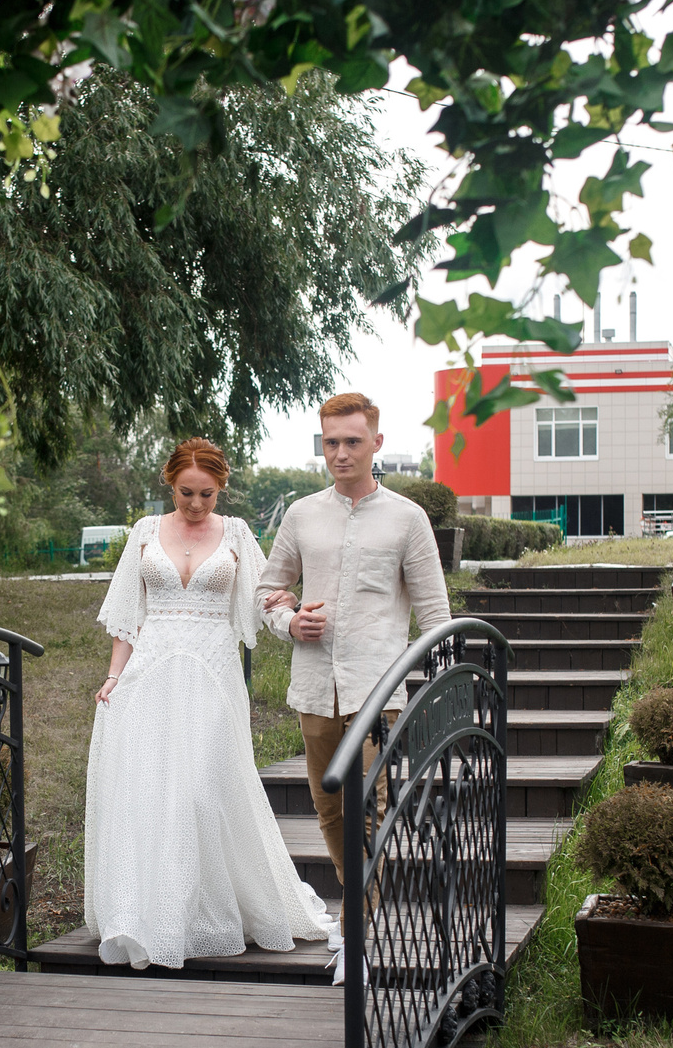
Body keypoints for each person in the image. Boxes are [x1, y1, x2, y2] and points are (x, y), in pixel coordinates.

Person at [84, 439, 334, 969]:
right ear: (168, 483)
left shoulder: (238, 534)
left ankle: (201, 913)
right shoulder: (144, 534)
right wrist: (113, 676)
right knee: (150, 791)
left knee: (200, 791)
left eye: (207, 494)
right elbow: (129, 615)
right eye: (186, 493)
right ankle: (145, 914)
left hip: (213, 674)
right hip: (150, 674)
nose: (196, 504)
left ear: (222, 487)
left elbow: (265, 600)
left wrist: (290, 620)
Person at [256, 392, 452, 881]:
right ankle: (358, 913)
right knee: (328, 807)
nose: (340, 454)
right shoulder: (301, 515)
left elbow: (435, 614)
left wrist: (446, 690)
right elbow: (266, 590)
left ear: (376, 442)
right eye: (330, 443)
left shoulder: (408, 518)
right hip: (315, 687)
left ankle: (355, 929)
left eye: (352, 441)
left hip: (376, 688)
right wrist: (291, 621)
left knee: (367, 806)